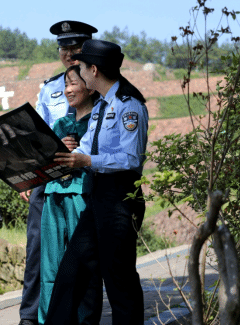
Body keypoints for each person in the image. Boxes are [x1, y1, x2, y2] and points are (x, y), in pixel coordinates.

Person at [46, 40, 149, 325]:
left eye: (79, 68)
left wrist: (87, 162)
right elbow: (87, 146)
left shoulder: (129, 106)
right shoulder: (102, 106)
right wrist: (66, 156)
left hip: (121, 198)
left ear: (93, 70)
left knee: (118, 278)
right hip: (98, 196)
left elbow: (130, 158)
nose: (75, 71)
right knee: (71, 269)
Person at [19, 20, 99, 325]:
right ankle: (31, 317)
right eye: (64, 47)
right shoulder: (51, 87)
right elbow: (38, 131)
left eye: (75, 47)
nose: (69, 53)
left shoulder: (100, 84)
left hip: (84, 181)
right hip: (49, 179)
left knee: (83, 254)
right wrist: (31, 172)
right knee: (39, 252)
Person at [38, 65, 101, 325]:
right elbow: (41, 163)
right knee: (50, 266)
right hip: (54, 194)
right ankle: (49, 320)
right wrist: (55, 150)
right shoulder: (60, 124)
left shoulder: (100, 120)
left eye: (74, 83)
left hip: (82, 196)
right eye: (66, 84)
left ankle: (84, 321)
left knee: (84, 265)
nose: (68, 90)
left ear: (90, 85)